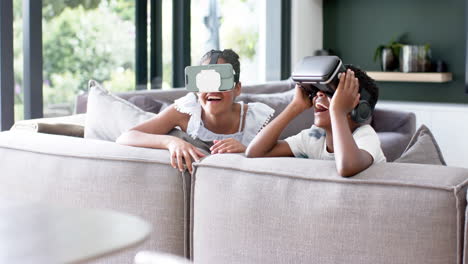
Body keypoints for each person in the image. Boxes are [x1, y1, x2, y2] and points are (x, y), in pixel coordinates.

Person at [116, 49, 274, 173]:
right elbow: (126, 136)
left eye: (221, 82)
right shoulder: (186, 111)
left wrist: (247, 150)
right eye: (206, 82)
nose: (213, 89)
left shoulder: (255, 119)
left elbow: (280, 156)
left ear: (237, 88)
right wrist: (171, 142)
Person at [246, 65, 386, 177]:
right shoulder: (313, 138)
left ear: (360, 110)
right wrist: (295, 106)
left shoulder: (365, 135)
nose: (319, 94)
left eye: (332, 92)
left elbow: (347, 167)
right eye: (318, 90)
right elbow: (254, 152)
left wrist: (338, 111)